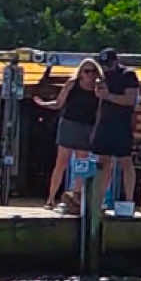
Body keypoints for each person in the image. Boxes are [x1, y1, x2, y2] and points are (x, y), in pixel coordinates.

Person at [32, 59, 104, 210]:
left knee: (81, 163)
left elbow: (99, 113)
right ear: (81, 73)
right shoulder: (72, 84)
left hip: (87, 126)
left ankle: (76, 197)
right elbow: (59, 103)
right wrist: (44, 104)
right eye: (86, 71)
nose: (90, 75)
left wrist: (96, 131)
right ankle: (51, 198)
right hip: (69, 124)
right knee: (61, 162)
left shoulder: (99, 88)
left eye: (93, 71)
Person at [91, 48, 140, 207]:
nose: (106, 68)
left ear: (116, 61)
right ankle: (100, 199)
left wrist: (108, 96)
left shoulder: (128, 75)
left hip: (122, 124)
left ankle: (129, 200)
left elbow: (130, 100)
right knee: (103, 161)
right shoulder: (102, 76)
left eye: (109, 64)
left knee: (125, 161)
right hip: (104, 123)